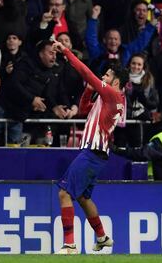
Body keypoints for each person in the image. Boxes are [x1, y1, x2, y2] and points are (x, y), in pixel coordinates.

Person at [53, 40, 128, 254]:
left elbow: (85, 72)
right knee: (83, 198)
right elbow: (83, 109)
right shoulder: (108, 98)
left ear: (116, 82)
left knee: (64, 194)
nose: (103, 77)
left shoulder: (113, 95)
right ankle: (103, 237)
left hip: (93, 153)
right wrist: (87, 91)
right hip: (97, 154)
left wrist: (66, 51)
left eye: (106, 75)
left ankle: (70, 245)